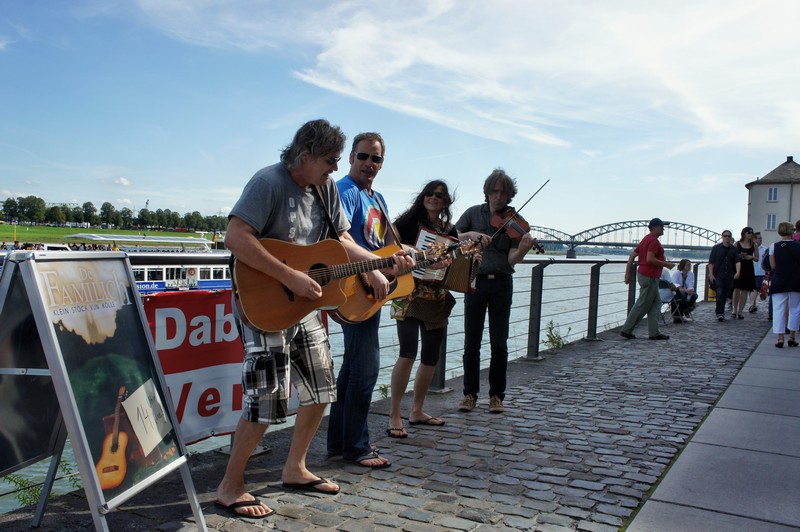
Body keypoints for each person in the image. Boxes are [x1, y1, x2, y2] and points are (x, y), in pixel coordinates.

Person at [215, 119, 411, 518]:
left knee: (322, 387)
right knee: (266, 399)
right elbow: (236, 237)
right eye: (330, 160)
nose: (336, 168)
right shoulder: (268, 182)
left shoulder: (325, 189)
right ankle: (230, 486)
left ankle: (296, 468)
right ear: (305, 155)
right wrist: (289, 277)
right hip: (265, 307)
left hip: (305, 306)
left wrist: (380, 262)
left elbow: (342, 239)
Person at [327, 132, 414, 468]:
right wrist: (372, 270)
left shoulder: (377, 199)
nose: (368, 163)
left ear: (382, 163)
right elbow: (339, 239)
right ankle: (357, 447)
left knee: (352, 369)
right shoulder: (344, 191)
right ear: (351, 157)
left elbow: (388, 245)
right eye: (363, 156)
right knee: (365, 370)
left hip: (371, 293)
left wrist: (419, 256)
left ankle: (340, 442)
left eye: (375, 158)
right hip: (354, 289)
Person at [455, 168, 536, 414]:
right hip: (475, 282)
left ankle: (496, 396)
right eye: (494, 191)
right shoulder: (472, 214)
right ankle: (469, 394)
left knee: (499, 343)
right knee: (471, 342)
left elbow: (512, 259)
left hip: (501, 283)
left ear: (509, 195)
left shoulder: (515, 220)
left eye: (503, 193)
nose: (498, 197)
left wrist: (523, 249)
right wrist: (470, 235)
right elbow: (452, 238)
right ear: (487, 191)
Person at [387, 180, 457, 438]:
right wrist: (413, 254)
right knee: (407, 353)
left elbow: (453, 260)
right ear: (422, 196)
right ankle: (394, 414)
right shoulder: (407, 221)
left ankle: (417, 411)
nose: (433, 198)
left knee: (430, 357)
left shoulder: (449, 230)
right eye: (429, 193)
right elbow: (390, 245)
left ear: (446, 201)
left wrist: (453, 263)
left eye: (439, 195)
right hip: (408, 293)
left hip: (436, 297)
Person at [619, 218, 675, 340]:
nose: (663, 229)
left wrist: (627, 274)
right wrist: (667, 264)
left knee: (656, 303)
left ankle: (654, 332)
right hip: (649, 277)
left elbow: (632, 256)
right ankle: (626, 330)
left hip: (646, 276)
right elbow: (650, 259)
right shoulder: (653, 241)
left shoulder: (646, 239)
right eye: (661, 226)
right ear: (653, 227)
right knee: (642, 304)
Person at [769, 222, 800, 347]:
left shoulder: (773, 246)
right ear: (792, 231)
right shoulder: (798, 246)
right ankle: (792, 336)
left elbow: (773, 266)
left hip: (779, 280)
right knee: (795, 309)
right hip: (796, 280)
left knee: (778, 309)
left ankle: (780, 338)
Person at [708, 230, 741, 322]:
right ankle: (720, 313)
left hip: (729, 275)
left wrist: (738, 272)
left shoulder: (734, 249)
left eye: (729, 236)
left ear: (731, 237)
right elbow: (711, 262)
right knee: (719, 292)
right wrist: (711, 274)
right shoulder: (716, 248)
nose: (727, 238)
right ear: (722, 237)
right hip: (718, 275)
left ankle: (720, 310)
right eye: (725, 236)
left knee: (725, 294)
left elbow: (737, 261)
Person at [732, 227, 757, 319]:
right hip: (739, 268)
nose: (750, 234)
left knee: (745, 290)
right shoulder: (737, 244)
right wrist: (739, 256)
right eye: (749, 232)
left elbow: (757, 258)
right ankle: (734, 309)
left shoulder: (753, 245)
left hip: (748, 268)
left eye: (751, 233)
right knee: (736, 289)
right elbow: (732, 256)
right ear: (744, 233)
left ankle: (740, 311)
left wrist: (751, 257)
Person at [748, 232, 766, 313]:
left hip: (761, 272)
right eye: (759, 238)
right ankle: (752, 304)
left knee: (756, 289)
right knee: (752, 289)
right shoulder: (750, 249)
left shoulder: (765, 249)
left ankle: (752, 304)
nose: (761, 239)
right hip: (751, 272)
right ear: (754, 239)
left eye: (761, 238)